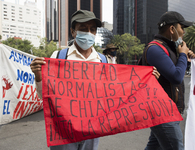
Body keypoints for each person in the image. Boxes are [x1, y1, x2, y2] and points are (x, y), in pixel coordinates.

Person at [30, 9, 160, 150]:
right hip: (64, 132)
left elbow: (119, 92)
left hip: (92, 131)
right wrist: (38, 75)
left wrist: (146, 79)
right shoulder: (58, 57)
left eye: (92, 29)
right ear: (73, 32)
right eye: (83, 29)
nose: (89, 33)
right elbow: (44, 96)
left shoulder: (104, 61)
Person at [140, 11, 195, 150]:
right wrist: (182, 54)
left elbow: (174, 71)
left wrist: (188, 59)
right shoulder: (155, 49)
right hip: (163, 113)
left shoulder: (168, 49)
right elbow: (176, 77)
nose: (183, 32)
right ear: (172, 29)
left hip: (168, 111)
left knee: (154, 146)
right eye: (182, 28)